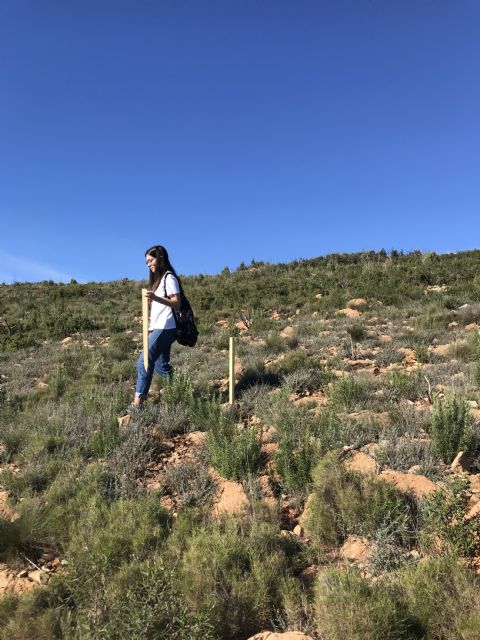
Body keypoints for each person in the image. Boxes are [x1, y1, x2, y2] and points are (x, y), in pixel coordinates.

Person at [132, 245, 181, 407]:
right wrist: (150, 329)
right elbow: (159, 310)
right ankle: (180, 394)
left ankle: (138, 405)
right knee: (161, 365)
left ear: (160, 258)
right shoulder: (158, 282)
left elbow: (176, 302)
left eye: (150, 260)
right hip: (158, 327)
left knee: (143, 362)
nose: (148, 264)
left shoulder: (169, 278)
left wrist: (155, 298)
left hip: (167, 327)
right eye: (146, 262)